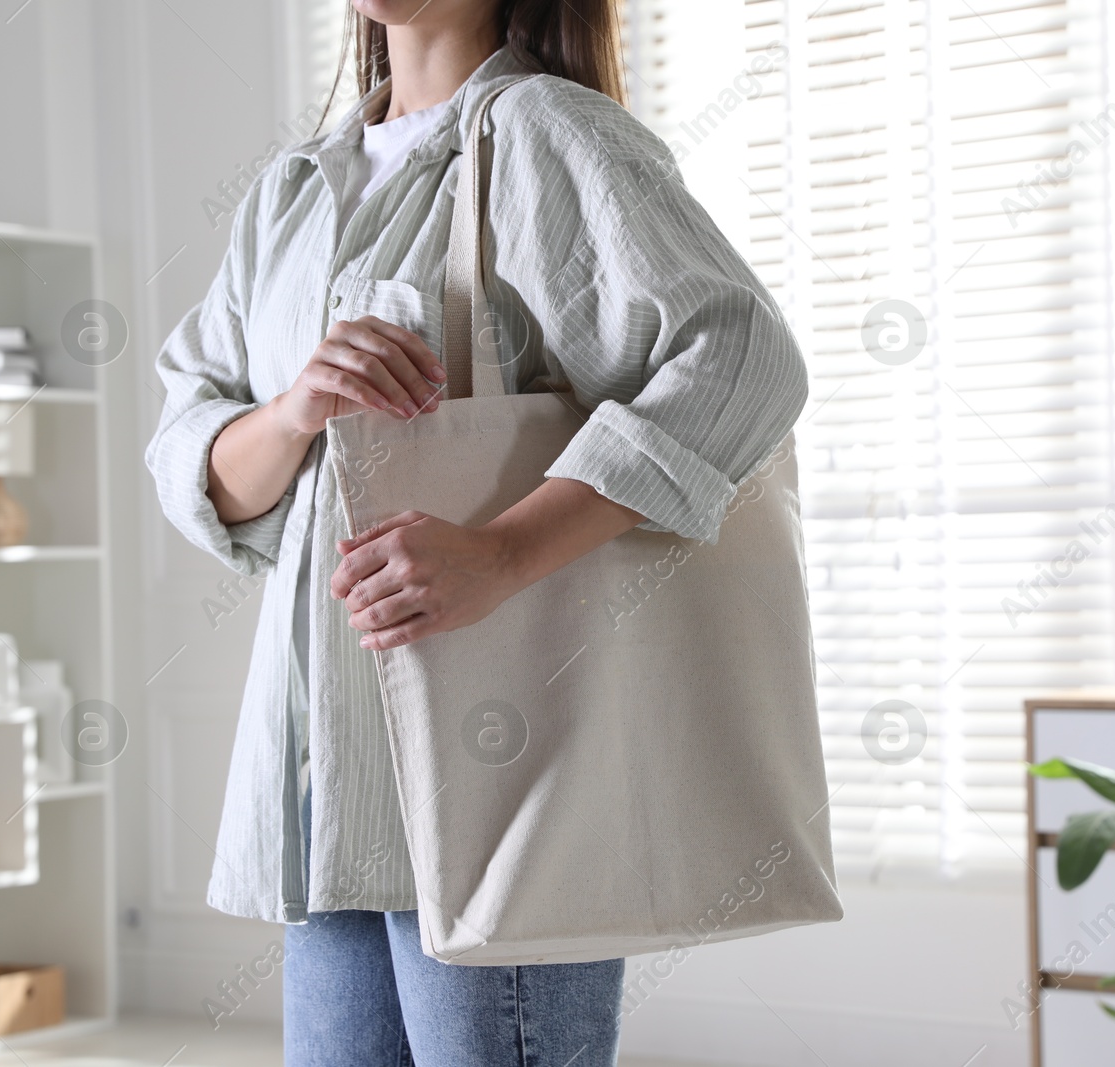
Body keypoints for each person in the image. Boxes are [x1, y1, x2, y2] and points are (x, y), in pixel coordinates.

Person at [145, 0, 808, 1063]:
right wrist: (292, 410)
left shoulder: (551, 136)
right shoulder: (291, 192)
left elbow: (741, 359)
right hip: (324, 791)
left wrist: (502, 554)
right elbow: (195, 455)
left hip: (501, 773)